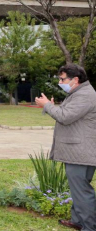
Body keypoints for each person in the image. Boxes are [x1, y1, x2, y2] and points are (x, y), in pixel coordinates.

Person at [35, 64, 96, 231]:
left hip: (81, 151)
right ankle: (78, 220)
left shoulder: (85, 95)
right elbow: (68, 114)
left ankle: (89, 226)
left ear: (75, 79)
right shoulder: (78, 93)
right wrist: (51, 107)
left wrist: (47, 105)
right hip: (78, 151)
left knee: (82, 190)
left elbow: (65, 117)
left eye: (62, 79)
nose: (60, 82)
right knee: (78, 188)